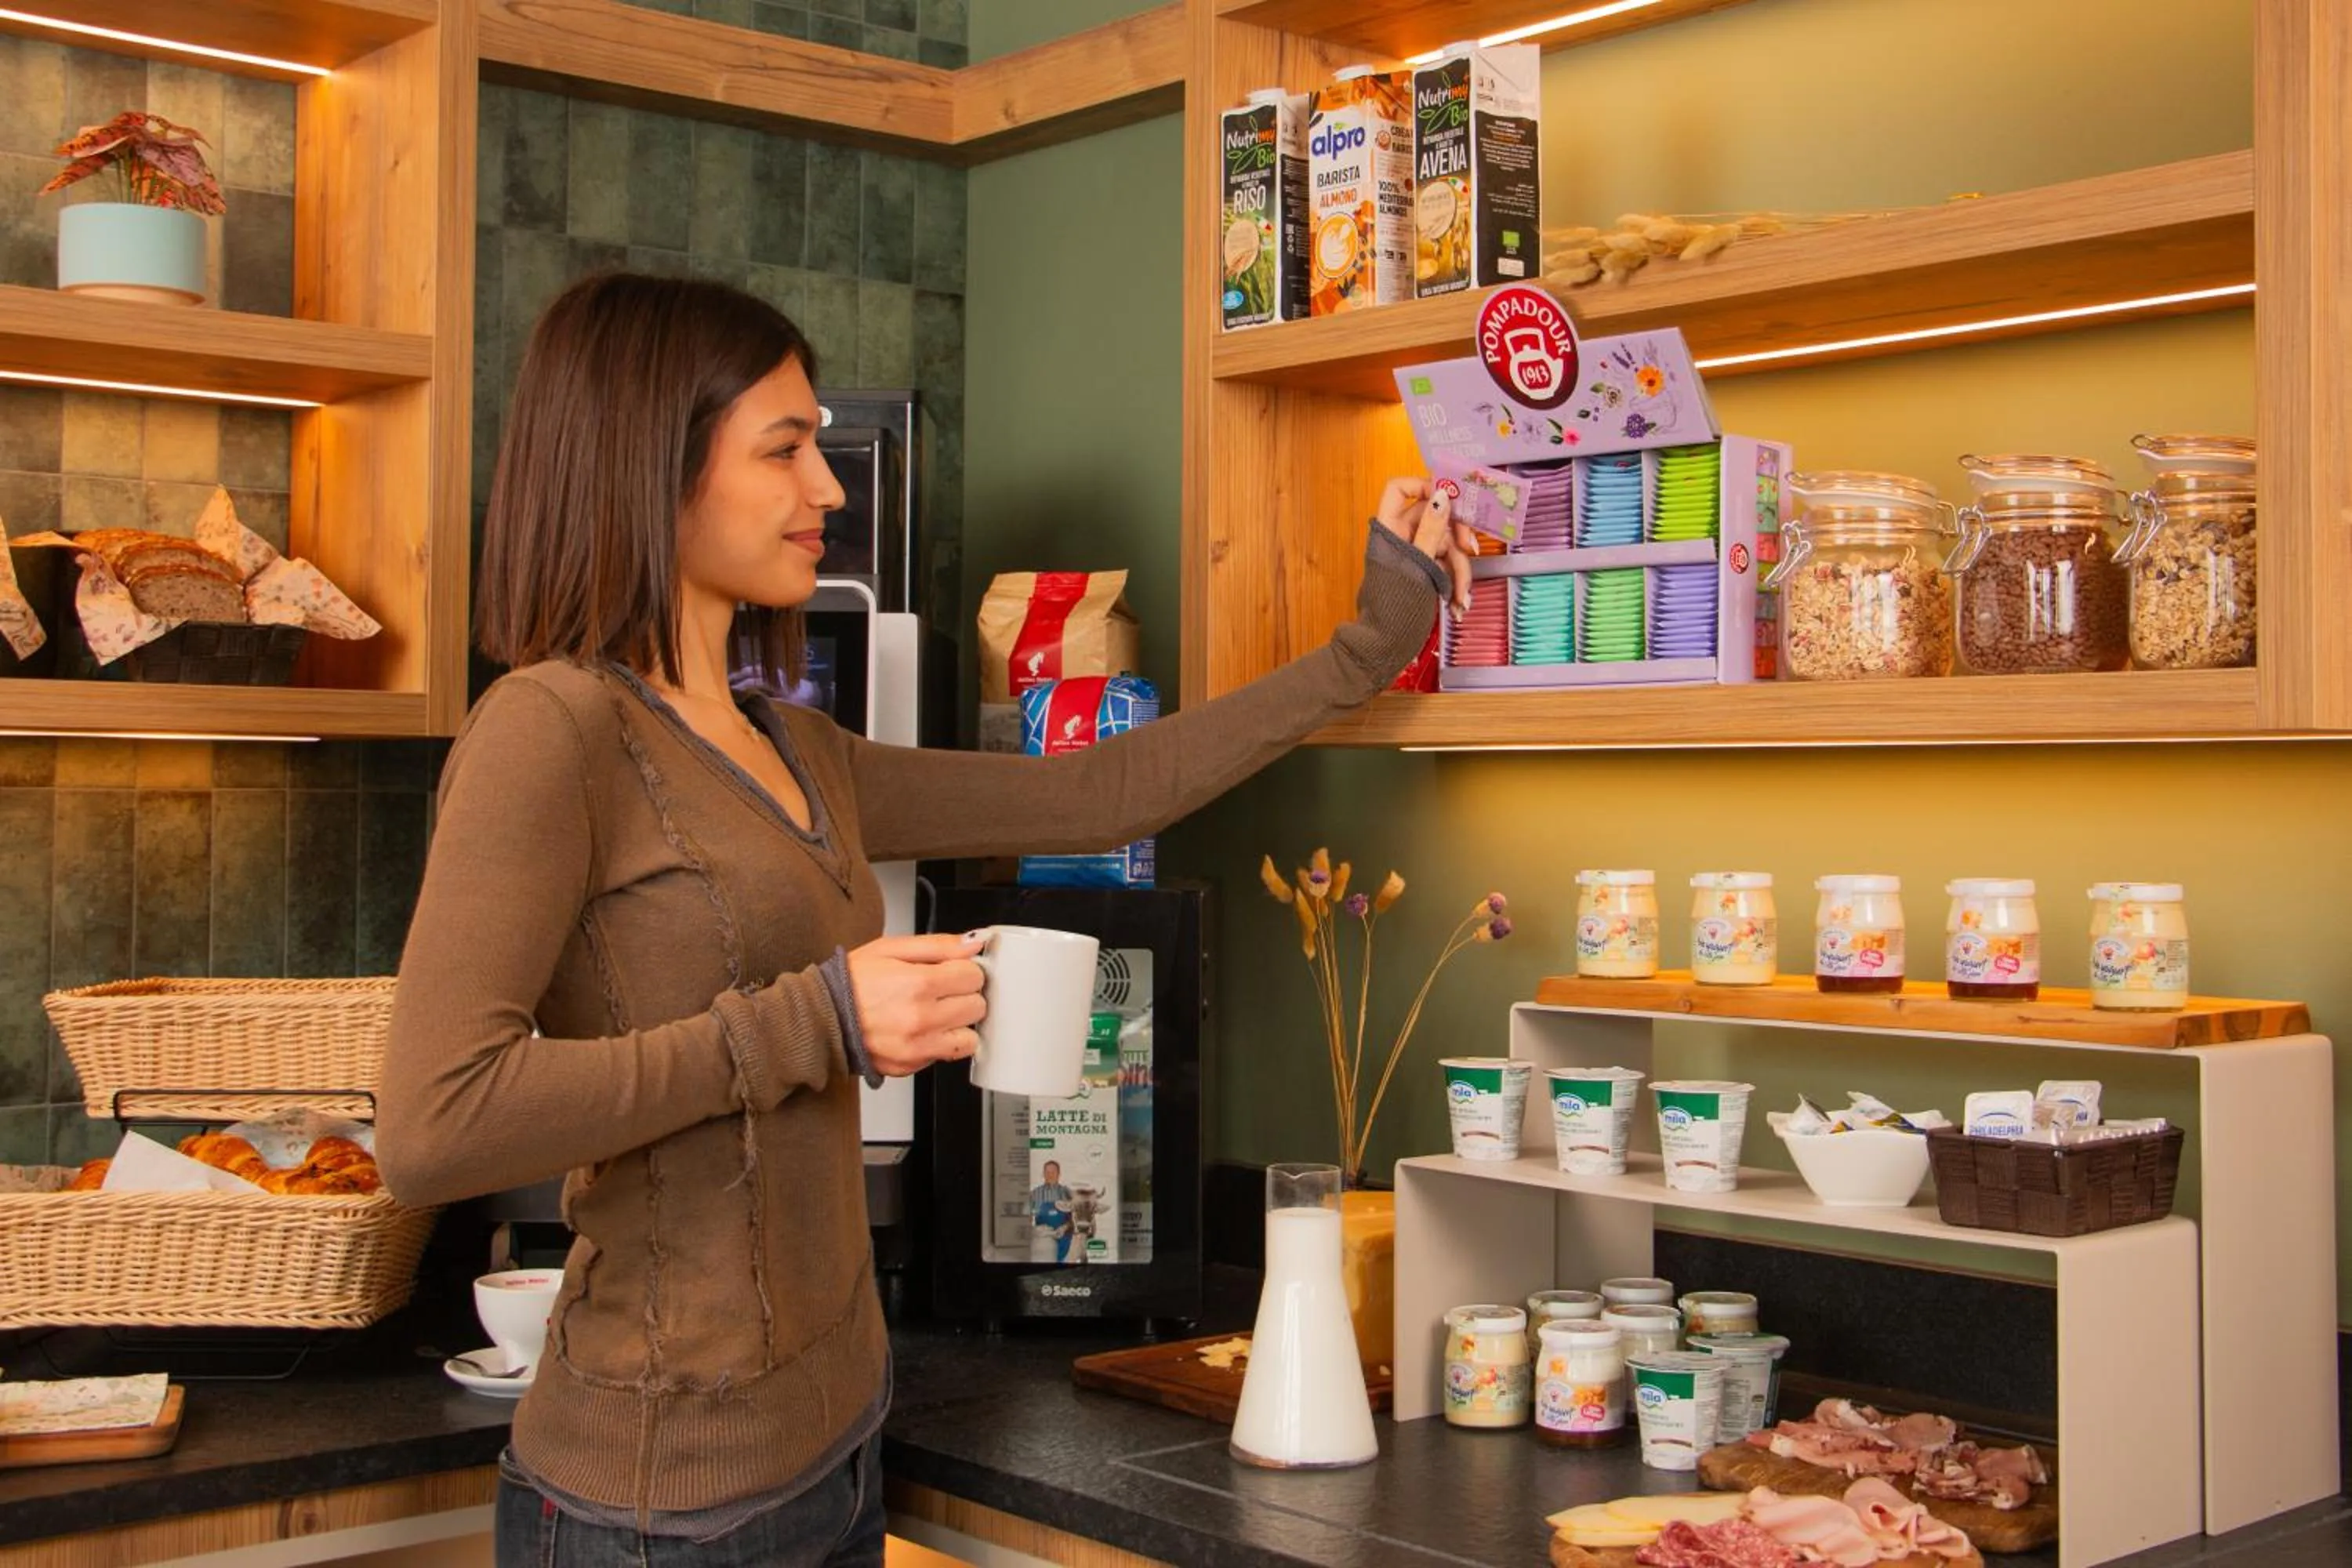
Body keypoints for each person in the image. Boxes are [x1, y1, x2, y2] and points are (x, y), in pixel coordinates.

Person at [376, 271, 1473, 1567]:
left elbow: (1096, 791)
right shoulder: (550, 731)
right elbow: (435, 1125)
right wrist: (817, 1019)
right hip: (652, 1506)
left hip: (838, 1456)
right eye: (783, 449)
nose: (827, 490)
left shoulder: (797, 746)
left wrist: (1368, 641)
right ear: (647, 465)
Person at [1029, 1159, 1075, 1261]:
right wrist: (1034, 1231)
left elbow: (1076, 1218)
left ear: (1059, 1174)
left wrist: (1065, 1227)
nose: (1050, 1175)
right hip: (1043, 1240)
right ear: (1043, 1174)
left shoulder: (1067, 1193)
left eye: (1053, 1172)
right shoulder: (1034, 1194)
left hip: (1065, 1240)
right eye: (1047, 1172)